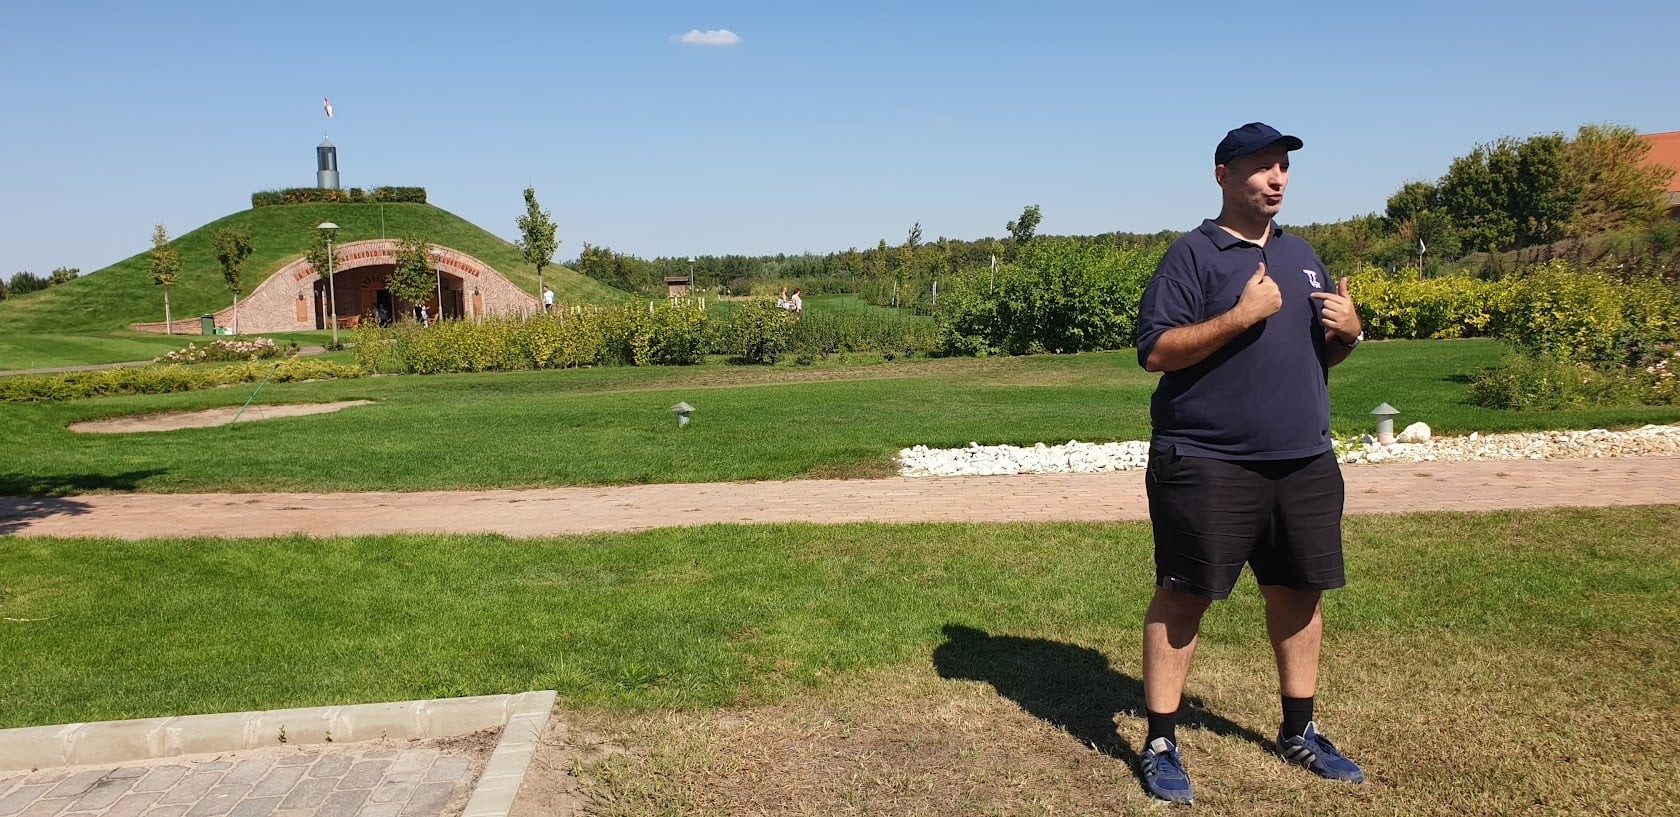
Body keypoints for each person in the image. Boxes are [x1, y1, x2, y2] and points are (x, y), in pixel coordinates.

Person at [1131, 122, 1367, 804]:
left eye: (1283, 167)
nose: (1277, 178)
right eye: (1262, 166)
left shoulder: (1302, 255)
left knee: (1298, 591)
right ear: (1224, 175)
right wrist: (1240, 315)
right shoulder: (1193, 255)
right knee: (1185, 593)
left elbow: (1316, 354)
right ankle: (1161, 741)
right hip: (1208, 460)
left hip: (1302, 459)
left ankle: (1300, 729)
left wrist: (1350, 334)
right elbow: (1155, 351)